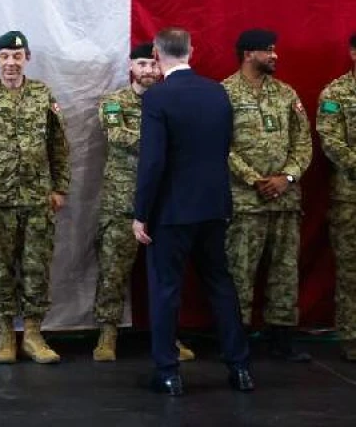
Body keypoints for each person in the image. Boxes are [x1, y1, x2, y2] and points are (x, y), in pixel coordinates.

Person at [133, 27, 252, 396]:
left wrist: (141, 213)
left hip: (171, 211)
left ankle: (168, 373)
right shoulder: (218, 92)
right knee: (220, 284)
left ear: (156, 53)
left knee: (166, 290)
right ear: (191, 51)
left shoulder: (158, 98)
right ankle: (240, 368)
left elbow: (153, 162)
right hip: (215, 206)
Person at [0, 30, 69, 364]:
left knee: (36, 268)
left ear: (27, 59)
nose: (11, 63)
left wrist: (59, 187)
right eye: (4, 56)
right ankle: (6, 336)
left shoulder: (42, 94)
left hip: (37, 198)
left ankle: (34, 335)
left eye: (17, 56)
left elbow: (58, 145)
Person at [93, 43, 194, 363]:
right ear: (131, 67)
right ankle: (107, 334)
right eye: (142, 64)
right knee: (113, 270)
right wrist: (163, 142)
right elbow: (117, 136)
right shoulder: (114, 102)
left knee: (167, 275)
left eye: (153, 64)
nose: (149, 70)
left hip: (164, 202)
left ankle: (168, 336)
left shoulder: (173, 101)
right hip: (122, 201)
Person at [222, 29, 312, 362]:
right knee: (239, 271)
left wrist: (287, 177)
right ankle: (236, 340)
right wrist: (255, 179)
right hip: (246, 202)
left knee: (285, 271)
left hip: (286, 200)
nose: (275, 56)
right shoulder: (225, 93)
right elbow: (220, 144)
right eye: (269, 51)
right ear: (249, 54)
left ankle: (282, 338)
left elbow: (303, 143)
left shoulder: (287, 94)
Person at [316, 33, 356, 362]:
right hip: (350, 198)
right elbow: (330, 141)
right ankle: (352, 336)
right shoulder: (336, 93)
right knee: (351, 270)